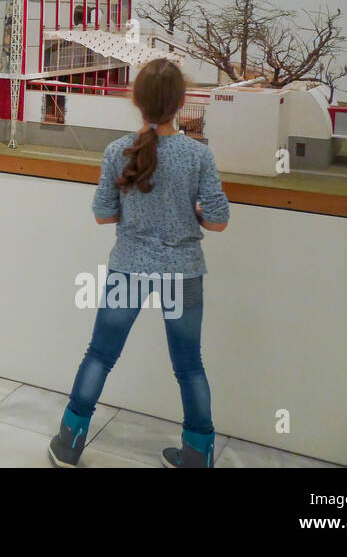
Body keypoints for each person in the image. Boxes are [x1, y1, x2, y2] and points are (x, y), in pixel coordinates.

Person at [48, 58, 230, 468]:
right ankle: (197, 454)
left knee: (99, 355)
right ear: (182, 102)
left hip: (128, 266)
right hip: (183, 271)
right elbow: (219, 220)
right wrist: (193, 216)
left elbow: (102, 213)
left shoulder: (117, 152)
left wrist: (134, 215)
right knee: (189, 365)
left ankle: (70, 443)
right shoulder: (198, 155)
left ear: (137, 101)